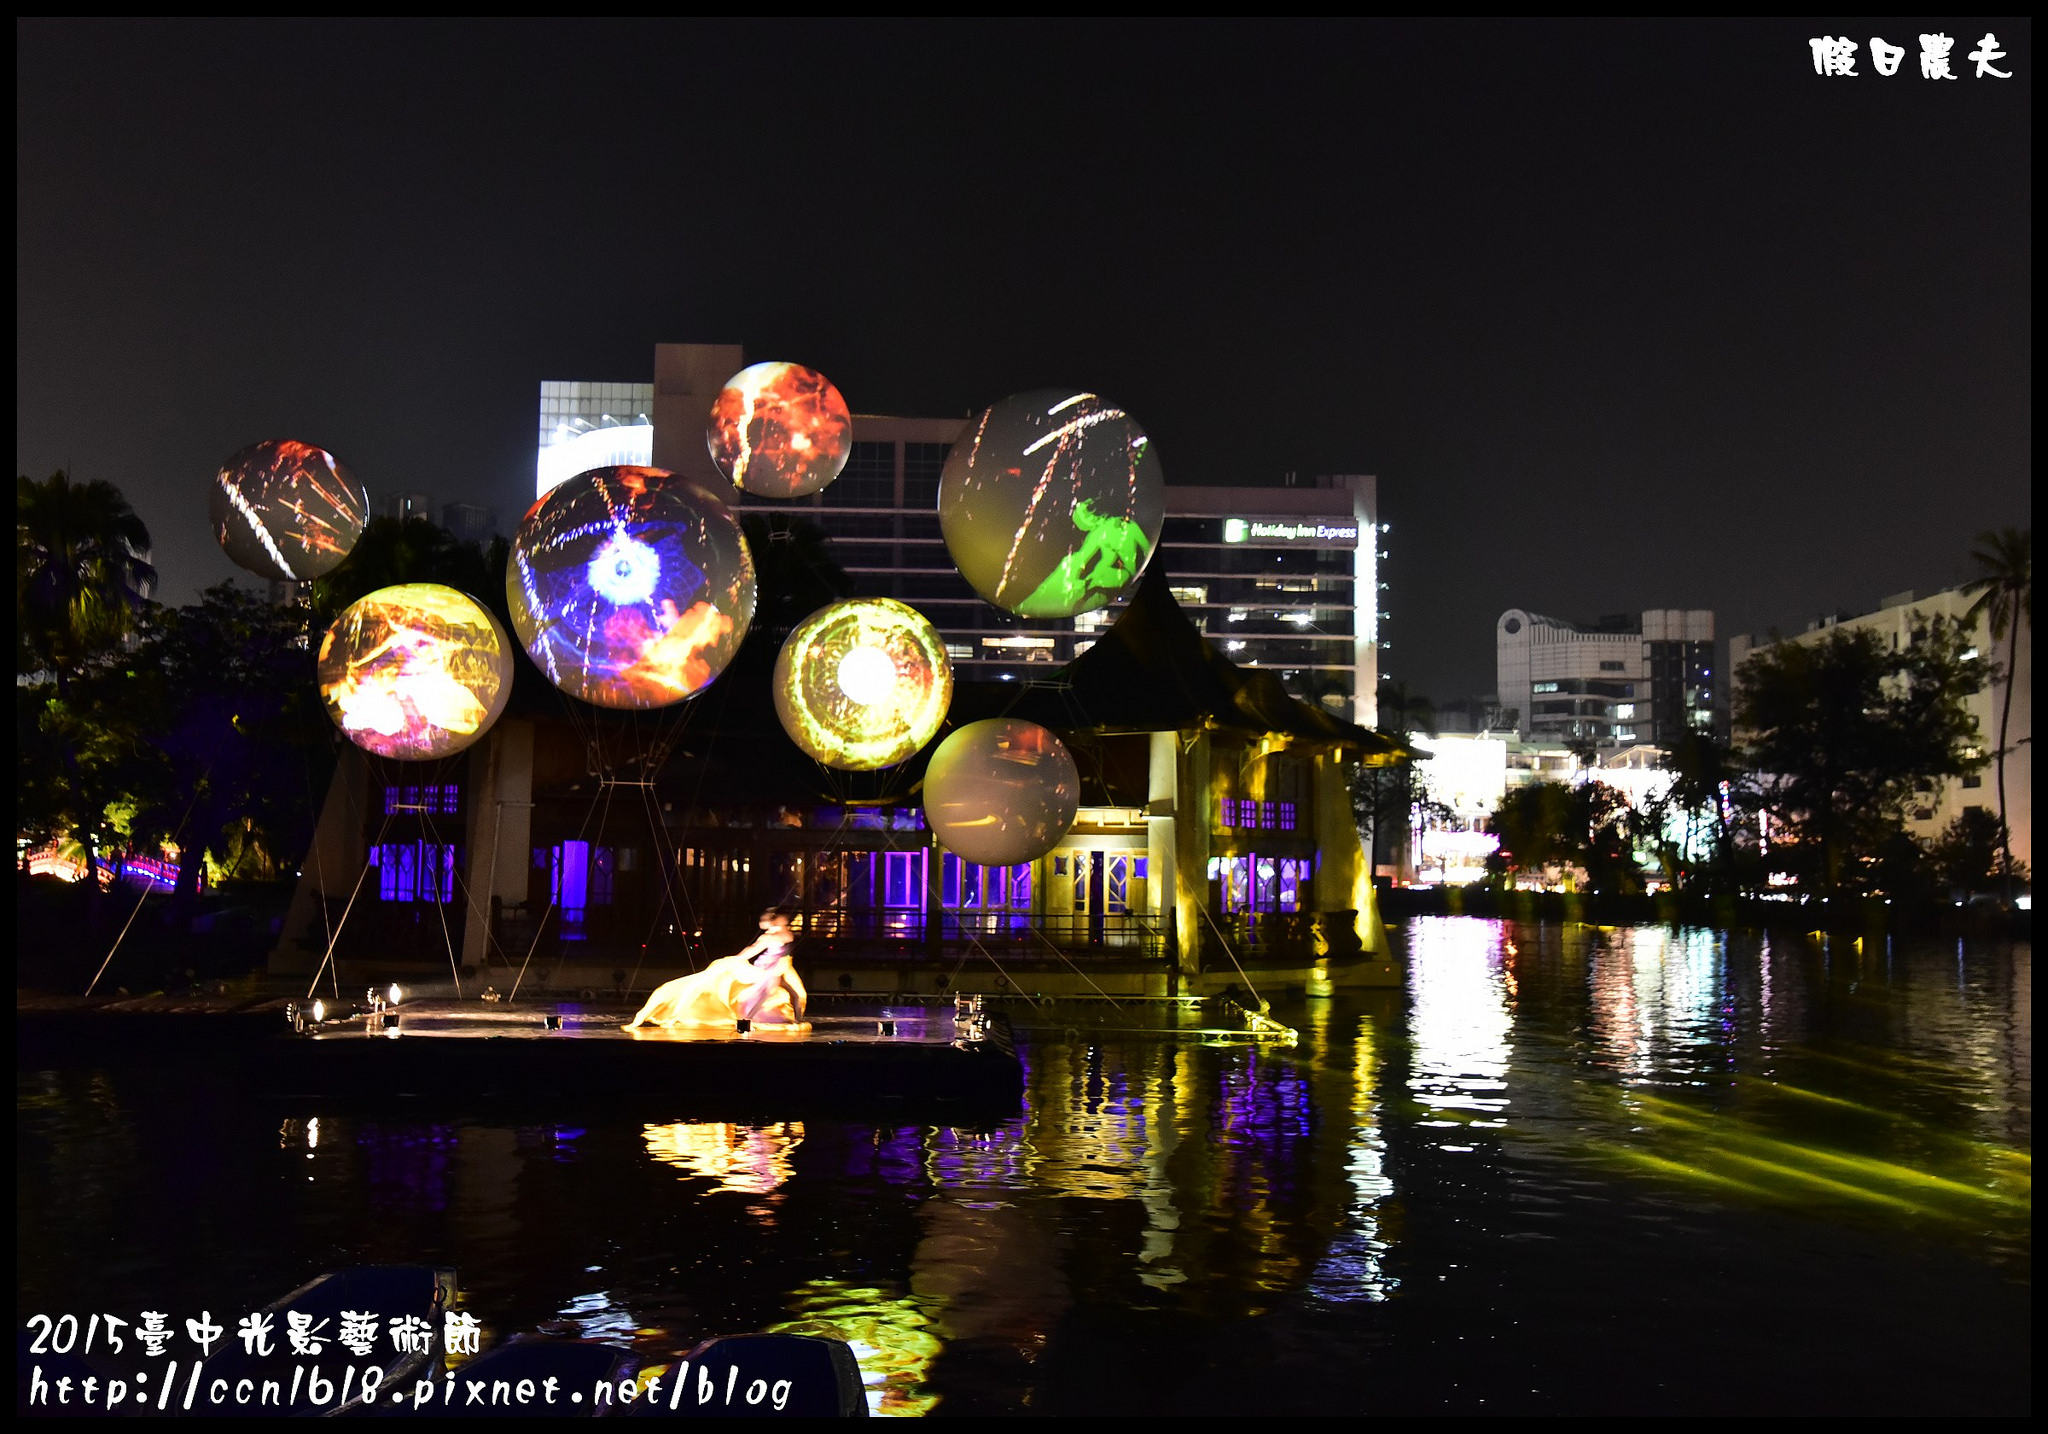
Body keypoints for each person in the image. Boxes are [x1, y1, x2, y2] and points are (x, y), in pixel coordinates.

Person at [624, 908, 809, 1030]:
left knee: (796, 993)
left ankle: (798, 1020)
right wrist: (734, 960)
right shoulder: (769, 937)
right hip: (771, 969)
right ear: (776, 920)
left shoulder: (785, 933)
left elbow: (787, 948)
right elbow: (752, 950)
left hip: (784, 967)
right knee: (762, 995)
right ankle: (744, 1023)